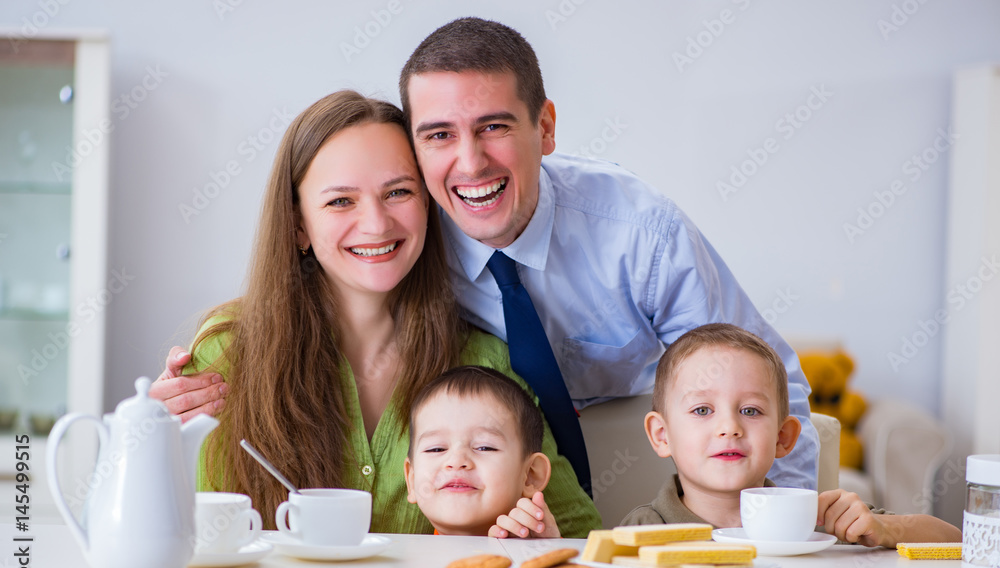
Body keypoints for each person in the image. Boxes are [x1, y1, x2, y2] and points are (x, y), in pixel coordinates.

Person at [154, 17, 819, 492]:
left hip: (658, 463)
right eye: (439, 136)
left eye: (494, 127)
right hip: (513, 467)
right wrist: (207, 373)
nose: (469, 164)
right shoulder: (402, 236)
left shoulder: (639, 233)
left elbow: (767, 386)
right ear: (415, 149)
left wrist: (776, 540)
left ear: (545, 127)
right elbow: (319, 274)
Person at [175, 90, 600, 537]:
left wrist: (539, 541)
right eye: (341, 201)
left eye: (398, 192)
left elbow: (579, 537)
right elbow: (191, 536)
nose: (376, 224)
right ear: (298, 223)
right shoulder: (226, 352)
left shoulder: (486, 361)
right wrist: (153, 446)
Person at [619, 324, 961, 547]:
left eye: (750, 411)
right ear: (662, 435)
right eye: (703, 410)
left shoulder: (813, 519)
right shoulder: (642, 531)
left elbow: (953, 541)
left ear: (784, 437)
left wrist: (884, 530)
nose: (730, 427)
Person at [404, 365, 560, 538]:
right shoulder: (403, 560)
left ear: (530, 475)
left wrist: (547, 552)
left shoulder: (543, 549)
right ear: (411, 479)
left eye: (484, 447)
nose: (456, 460)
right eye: (436, 449)